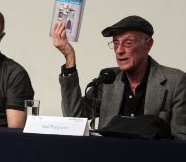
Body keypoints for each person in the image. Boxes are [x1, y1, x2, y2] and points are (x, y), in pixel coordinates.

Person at [52, 15, 186, 139]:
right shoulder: (108, 79)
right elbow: (74, 117)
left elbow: (180, 141)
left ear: (148, 45)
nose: (119, 50)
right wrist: (69, 57)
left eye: (128, 43)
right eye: (116, 43)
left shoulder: (176, 82)